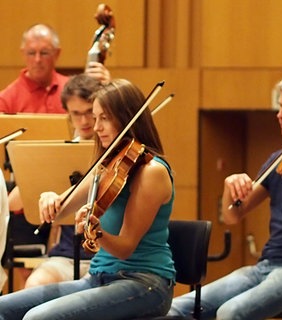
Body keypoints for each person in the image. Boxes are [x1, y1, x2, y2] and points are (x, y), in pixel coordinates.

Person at [168, 72, 282, 319]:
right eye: (280, 106)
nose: (280, 114)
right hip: (266, 265)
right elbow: (232, 216)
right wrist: (230, 185)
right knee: (178, 308)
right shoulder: (279, 159)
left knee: (231, 313)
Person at [0, 78, 175, 319]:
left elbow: (125, 248)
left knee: (38, 317)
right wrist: (49, 198)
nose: (96, 127)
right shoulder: (107, 164)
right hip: (98, 278)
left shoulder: (152, 172)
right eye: (96, 118)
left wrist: (96, 231)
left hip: (144, 283)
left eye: (105, 118)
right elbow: (61, 210)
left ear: (126, 117)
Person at [23, 74, 102, 288]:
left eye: (89, 113)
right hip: (65, 256)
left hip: (104, 255)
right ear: (67, 114)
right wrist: (46, 193)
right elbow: (16, 201)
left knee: (85, 293)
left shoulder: (113, 154)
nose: (85, 122)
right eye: (76, 114)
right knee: (34, 284)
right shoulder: (61, 152)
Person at [0, 23, 109, 114]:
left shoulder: (72, 90)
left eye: (44, 53)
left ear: (57, 53)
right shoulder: (6, 100)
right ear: (23, 54)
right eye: (31, 53)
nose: (37, 59)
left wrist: (107, 91)